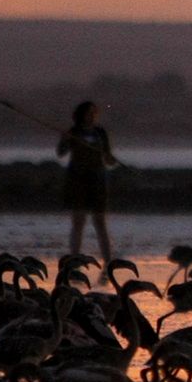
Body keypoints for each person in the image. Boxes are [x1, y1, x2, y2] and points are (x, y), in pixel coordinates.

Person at [57, 99, 118, 268]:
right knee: (78, 222)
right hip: (78, 181)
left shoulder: (100, 133)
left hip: (98, 181)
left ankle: (108, 262)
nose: (92, 116)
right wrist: (64, 139)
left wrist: (111, 159)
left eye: (94, 113)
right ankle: (74, 260)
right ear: (81, 115)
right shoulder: (73, 132)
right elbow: (61, 153)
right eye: (89, 112)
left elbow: (107, 157)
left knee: (100, 223)